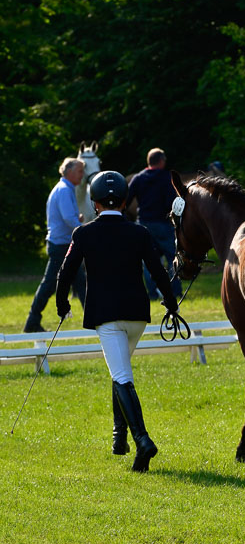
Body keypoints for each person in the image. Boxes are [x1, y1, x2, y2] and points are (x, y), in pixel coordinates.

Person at [55, 171, 178, 472]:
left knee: (122, 375)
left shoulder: (82, 234)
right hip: (137, 316)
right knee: (119, 369)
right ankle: (119, 437)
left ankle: (143, 440)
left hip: (106, 316)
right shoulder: (140, 233)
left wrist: (62, 304)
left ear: (95, 203)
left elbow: (65, 272)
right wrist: (171, 303)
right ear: (124, 202)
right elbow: (158, 271)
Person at [24, 158, 87, 333]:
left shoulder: (65, 189)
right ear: (70, 172)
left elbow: (68, 217)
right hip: (61, 246)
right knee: (50, 284)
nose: (83, 175)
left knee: (80, 283)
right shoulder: (64, 190)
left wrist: (77, 220)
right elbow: (68, 219)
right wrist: (85, 230)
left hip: (62, 244)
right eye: (80, 171)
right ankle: (32, 321)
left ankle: (93, 319)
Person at [126, 148, 182, 299]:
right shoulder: (166, 178)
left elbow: (126, 200)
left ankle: (152, 293)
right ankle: (175, 291)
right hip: (163, 224)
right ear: (162, 161)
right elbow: (173, 202)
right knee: (172, 258)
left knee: (148, 260)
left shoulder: (138, 178)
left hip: (143, 224)